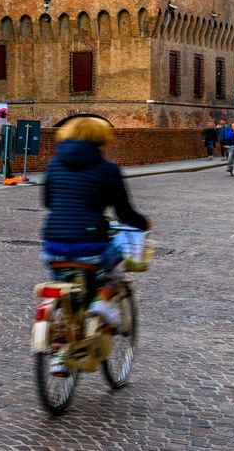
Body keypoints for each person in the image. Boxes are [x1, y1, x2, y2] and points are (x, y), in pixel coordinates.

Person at [39, 116, 150, 334]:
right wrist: (143, 223)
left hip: (53, 247)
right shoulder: (107, 169)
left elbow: (48, 202)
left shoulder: (54, 165)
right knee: (120, 255)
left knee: (67, 292)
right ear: (101, 140)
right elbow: (124, 212)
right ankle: (103, 300)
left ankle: (59, 356)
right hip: (91, 247)